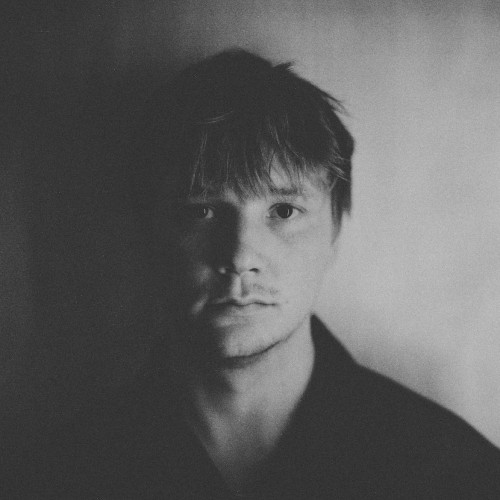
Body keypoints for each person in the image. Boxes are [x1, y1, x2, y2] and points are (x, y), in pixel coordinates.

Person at [4, 49, 500, 499]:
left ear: (334, 232)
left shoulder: (454, 475)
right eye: (201, 211)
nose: (241, 256)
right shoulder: (55, 477)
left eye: (283, 211)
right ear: (148, 235)